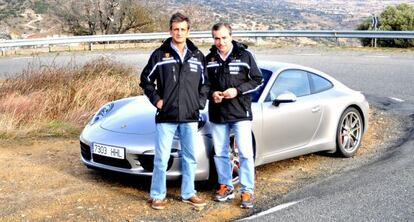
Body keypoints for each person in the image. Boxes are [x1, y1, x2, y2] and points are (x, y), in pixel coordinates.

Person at [139, 12, 209, 210]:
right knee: (161, 158)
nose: (179, 32)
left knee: (190, 157)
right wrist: (157, 100)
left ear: (188, 31)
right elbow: (145, 80)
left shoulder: (197, 56)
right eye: (175, 29)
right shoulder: (159, 55)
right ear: (170, 30)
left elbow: (206, 84)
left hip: (190, 116)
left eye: (183, 29)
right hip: (166, 117)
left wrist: (199, 103)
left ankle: (188, 193)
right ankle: (157, 195)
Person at [206, 23, 263, 209]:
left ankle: (247, 190)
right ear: (213, 39)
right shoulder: (210, 58)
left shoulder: (245, 55)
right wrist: (212, 94)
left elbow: (257, 80)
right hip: (218, 114)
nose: (220, 42)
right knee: (220, 153)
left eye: (223, 38)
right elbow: (204, 85)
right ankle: (226, 186)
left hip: (240, 113)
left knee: (245, 153)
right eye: (216, 38)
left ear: (231, 36)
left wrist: (237, 91)